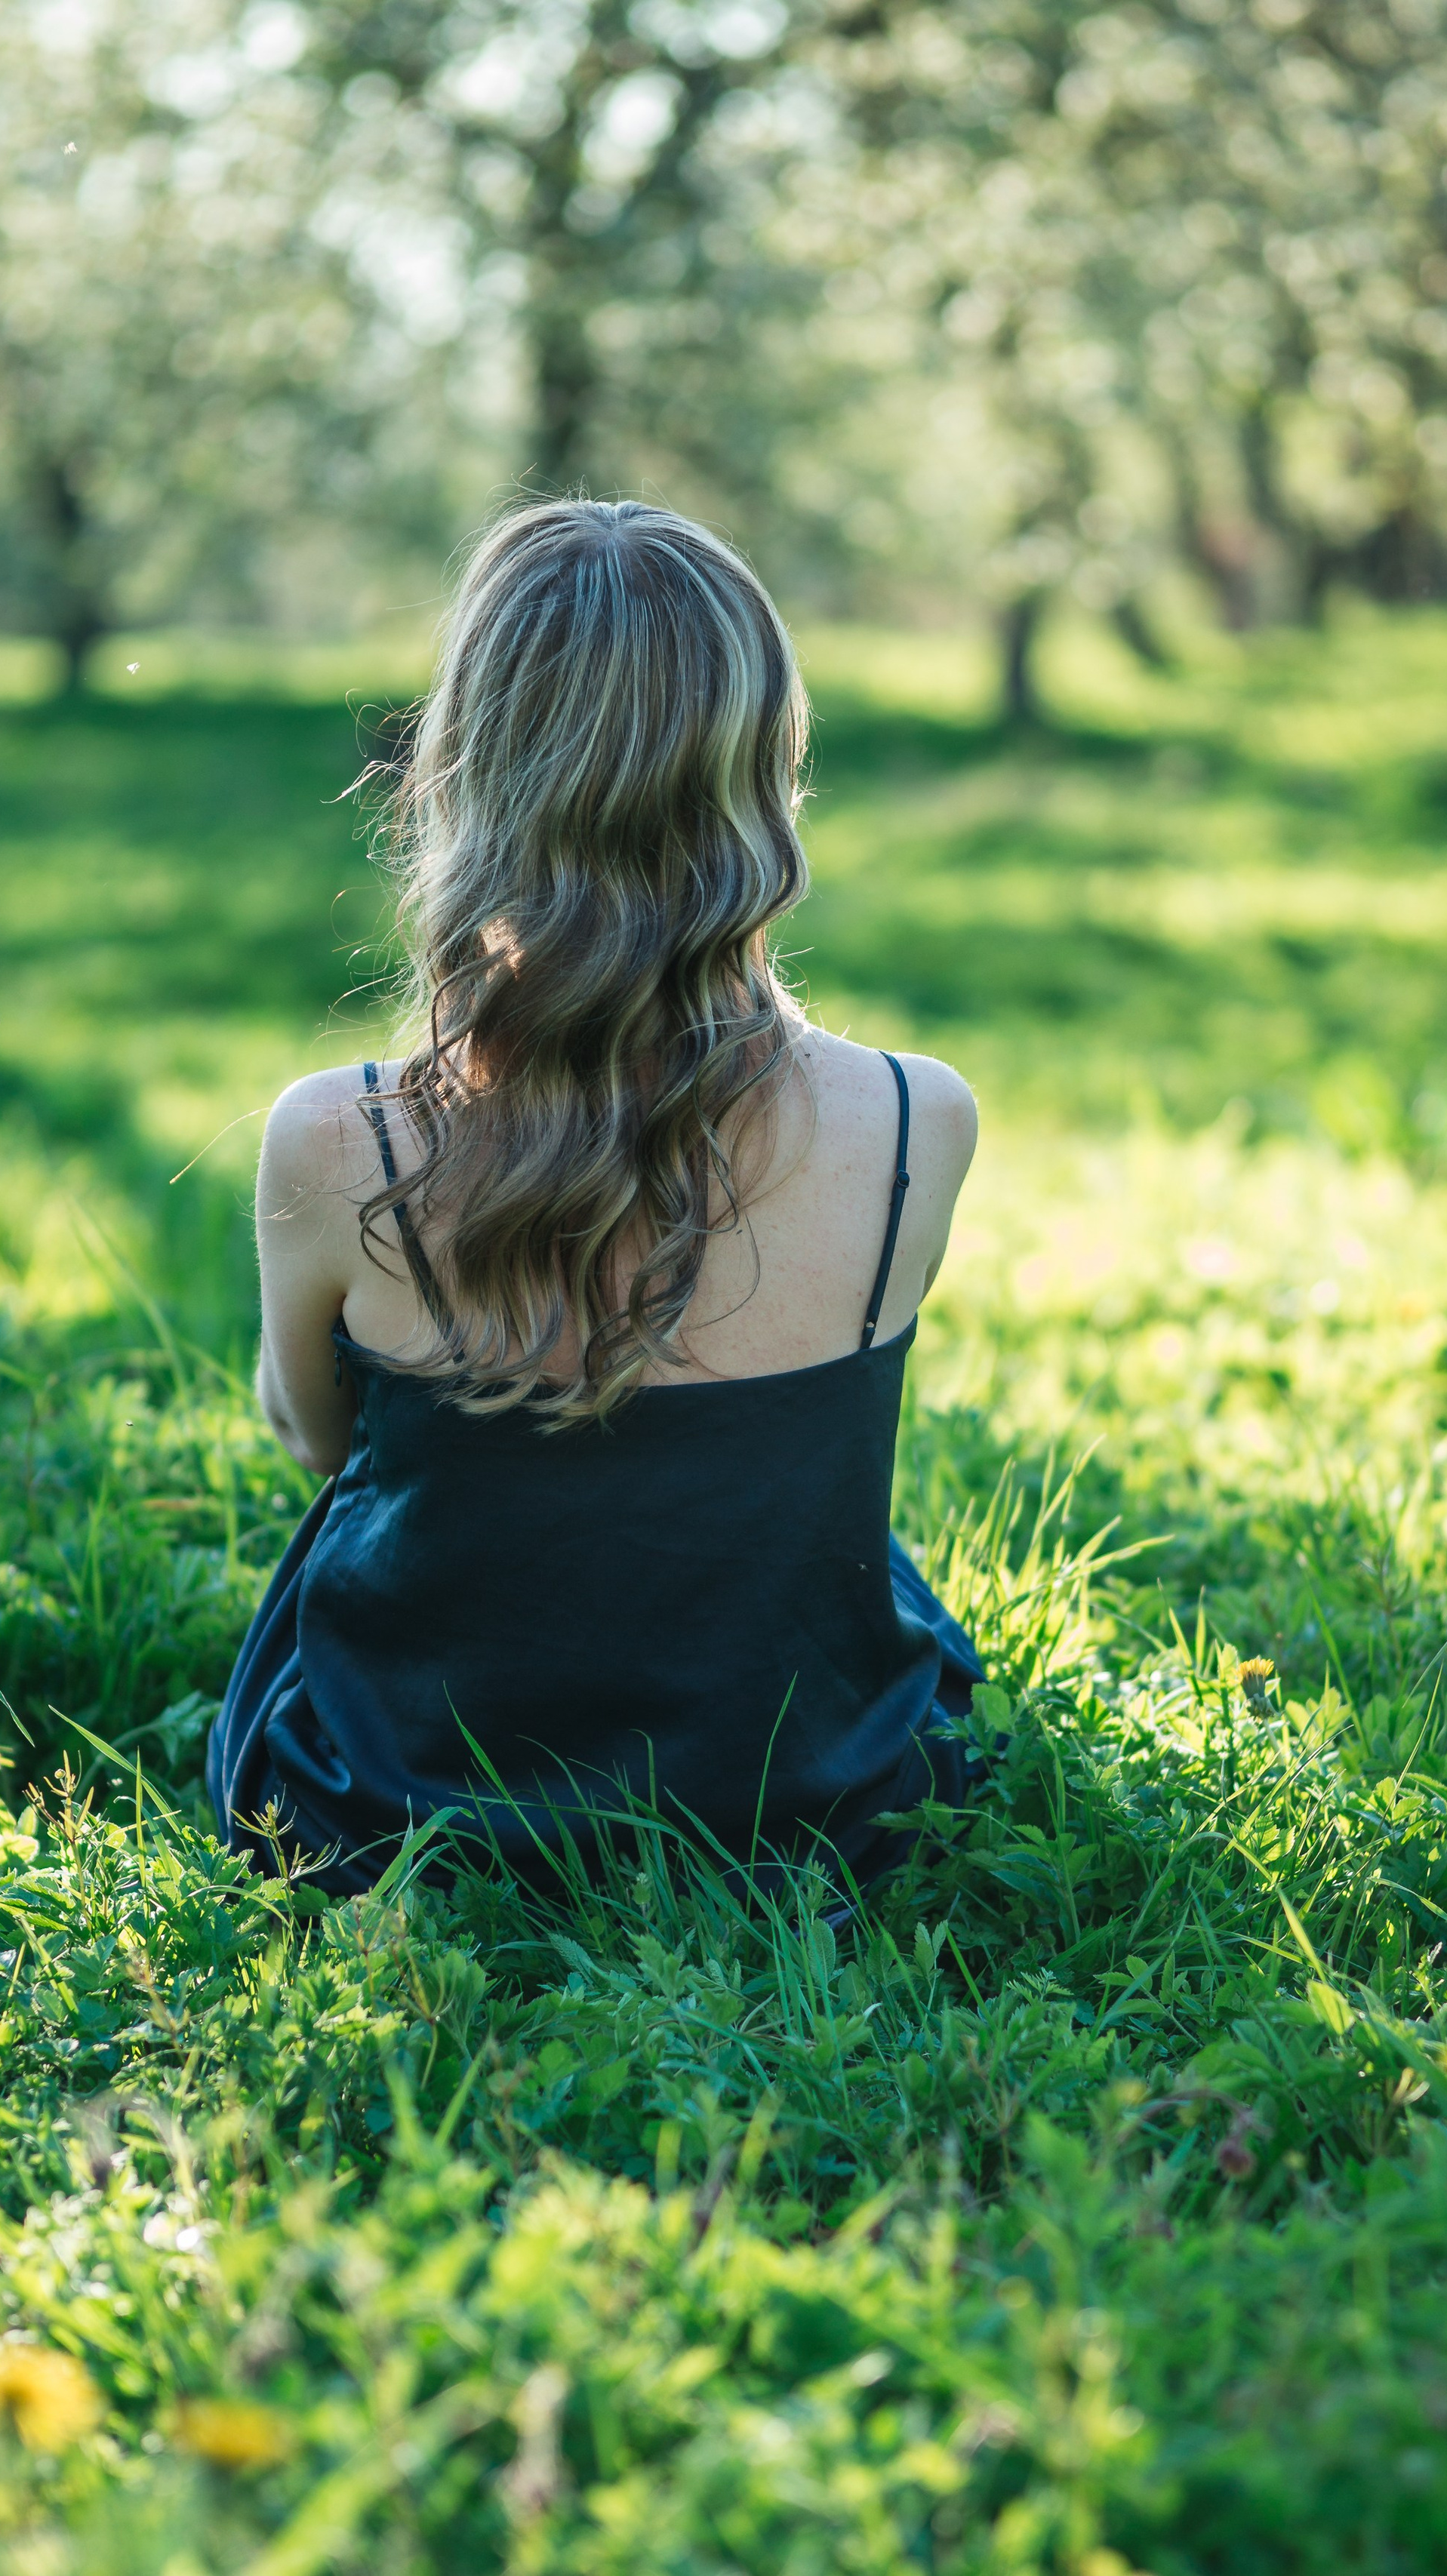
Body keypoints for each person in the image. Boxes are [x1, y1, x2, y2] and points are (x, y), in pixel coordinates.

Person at [207, 497, 983, 1901]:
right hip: (806, 1815)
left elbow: (318, 1443)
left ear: (469, 769)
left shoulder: (339, 1139)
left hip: (400, 1819)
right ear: (764, 766)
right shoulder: (920, 1117)